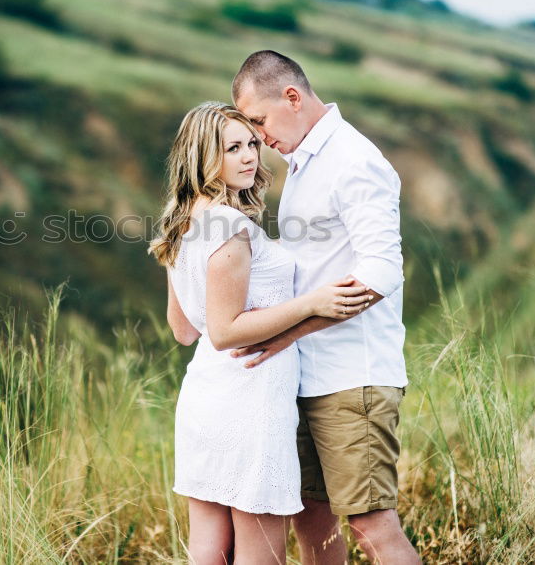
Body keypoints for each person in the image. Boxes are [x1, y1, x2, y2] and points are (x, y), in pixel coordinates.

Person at [148, 101, 374, 565]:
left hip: (205, 396)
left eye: (251, 143)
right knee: (261, 553)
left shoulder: (182, 221)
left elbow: (184, 329)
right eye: (233, 148)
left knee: (209, 550)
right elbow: (225, 331)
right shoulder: (230, 226)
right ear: (202, 156)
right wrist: (310, 303)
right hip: (249, 399)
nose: (250, 156)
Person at [229, 50, 421, 564]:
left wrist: (288, 332)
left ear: (292, 96)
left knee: (369, 525)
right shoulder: (303, 164)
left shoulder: (354, 161)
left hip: (351, 376)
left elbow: (381, 271)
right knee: (311, 518)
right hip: (303, 375)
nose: (258, 137)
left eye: (260, 121)